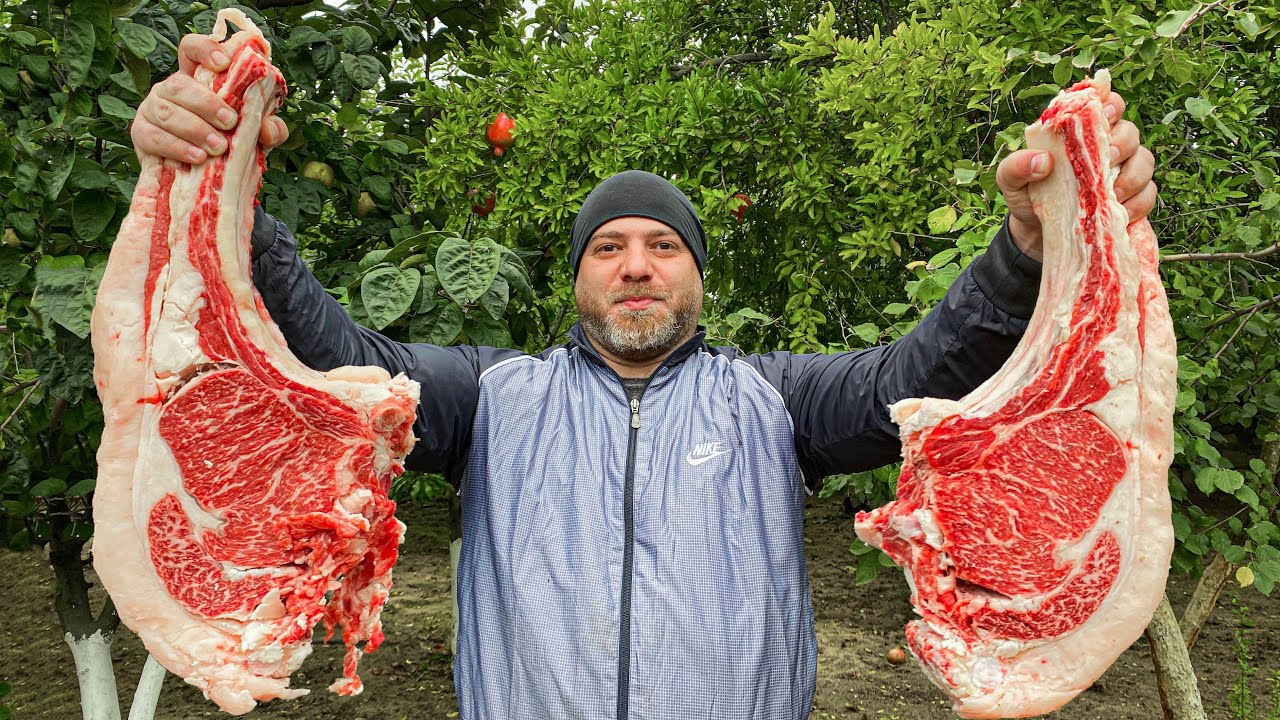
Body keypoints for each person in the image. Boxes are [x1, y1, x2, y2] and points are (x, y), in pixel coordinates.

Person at [131, 33, 1157, 720]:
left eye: (662, 245)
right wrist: (225, 198)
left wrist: (1029, 245)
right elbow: (335, 360)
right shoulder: (492, 399)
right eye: (607, 245)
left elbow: (924, 370)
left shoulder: (776, 402)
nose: (633, 264)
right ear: (576, 275)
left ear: (697, 276)